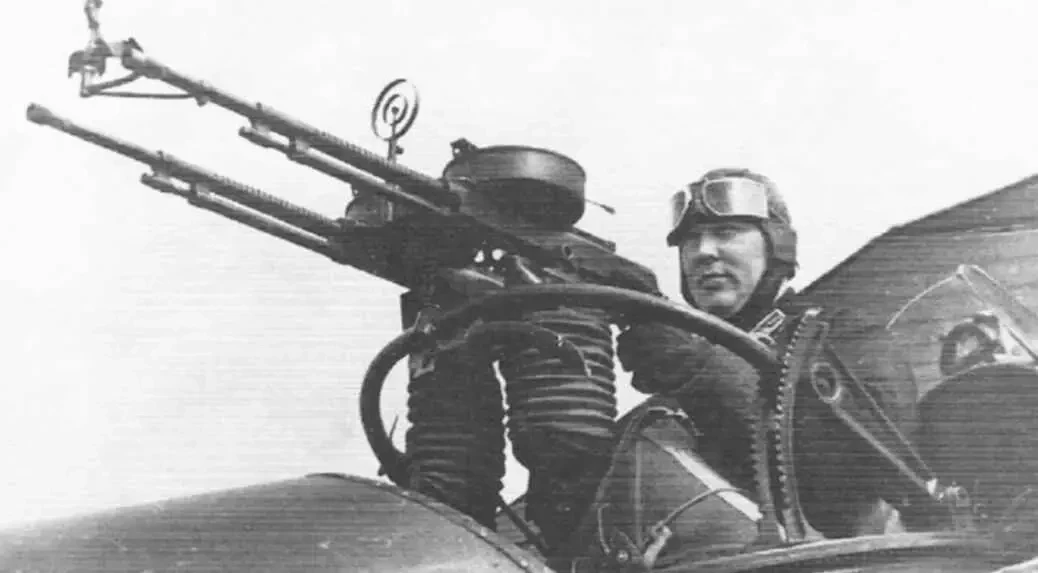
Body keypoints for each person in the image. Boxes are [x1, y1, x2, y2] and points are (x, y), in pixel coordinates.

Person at [563, 168, 920, 570]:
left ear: (777, 246)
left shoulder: (842, 338)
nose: (703, 252)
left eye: (727, 232)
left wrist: (697, 368)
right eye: (690, 240)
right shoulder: (670, 402)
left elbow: (866, 477)